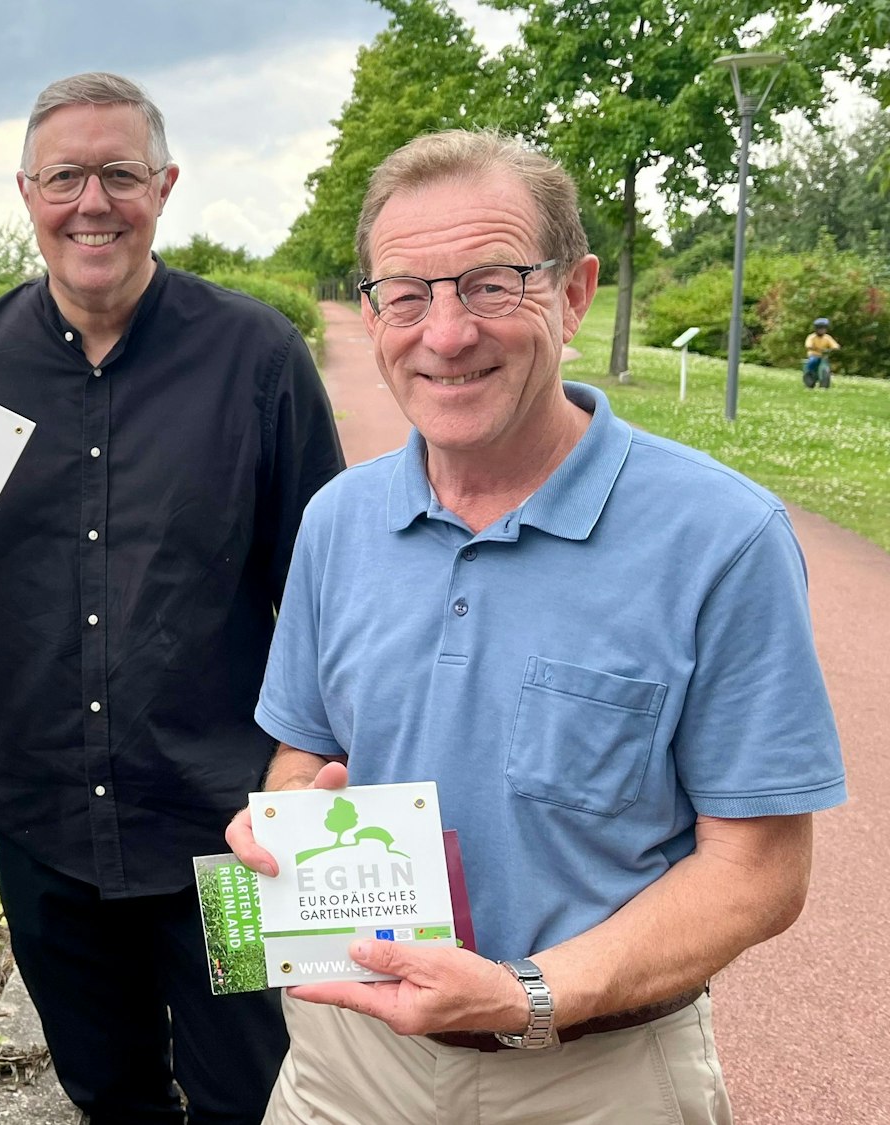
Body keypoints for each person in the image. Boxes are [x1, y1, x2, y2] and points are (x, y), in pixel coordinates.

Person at [229, 130, 847, 1125]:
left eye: (491, 284)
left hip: (593, 1077)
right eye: (406, 295)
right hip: (347, 1064)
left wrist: (527, 995)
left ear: (572, 293)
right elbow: (305, 750)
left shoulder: (721, 538)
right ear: (371, 312)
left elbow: (760, 869)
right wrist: (287, 827)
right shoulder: (336, 520)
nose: (445, 334)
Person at [0, 72, 344, 1124]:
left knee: (252, 1095)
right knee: (108, 1093)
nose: (92, 202)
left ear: (164, 187)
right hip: (44, 825)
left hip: (227, 832)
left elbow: (325, 585)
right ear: (26, 193)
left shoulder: (255, 359)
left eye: (119, 174)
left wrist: (323, 763)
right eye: (64, 177)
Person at [804, 316, 839, 387]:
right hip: (814, 355)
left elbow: (834, 344)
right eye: (820, 329)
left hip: (823, 356)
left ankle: (825, 380)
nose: (822, 330)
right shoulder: (812, 337)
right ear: (816, 329)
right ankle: (809, 375)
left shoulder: (827, 337)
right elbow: (808, 345)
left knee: (827, 364)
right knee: (812, 361)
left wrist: (835, 347)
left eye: (823, 329)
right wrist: (812, 347)